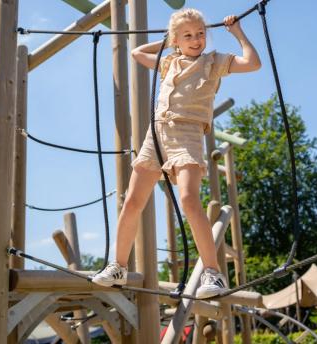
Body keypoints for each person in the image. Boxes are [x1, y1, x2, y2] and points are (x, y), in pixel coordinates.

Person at [92, 8, 261, 298]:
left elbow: (253, 63)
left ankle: (213, 273)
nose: (196, 40)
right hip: (156, 134)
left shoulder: (214, 61)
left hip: (187, 133)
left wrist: (237, 32)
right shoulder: (168, 61)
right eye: (188, 36)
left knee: (188, 199)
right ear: (176, 39)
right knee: (132, 200)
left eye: (200, 33)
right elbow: (136, 54)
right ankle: (117, 265)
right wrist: (167, 42)